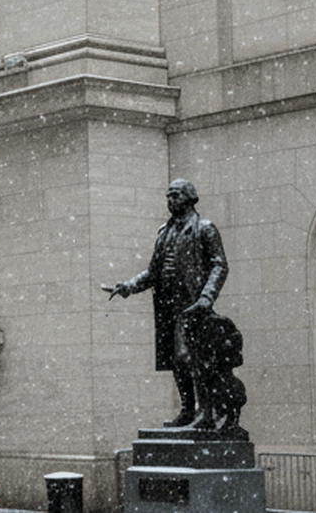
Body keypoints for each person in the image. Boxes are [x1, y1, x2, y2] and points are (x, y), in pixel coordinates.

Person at [106, 179, 246, 437]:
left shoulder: (204, 228)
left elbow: (219, 265)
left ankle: (206, 413)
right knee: (176, 361)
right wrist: (128, 286)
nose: (171, 200)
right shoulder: (164, 232)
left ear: (190, 198)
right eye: (168, 196)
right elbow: (153, 271)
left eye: (176, 195)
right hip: (167, 305)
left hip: (192, 305)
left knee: (193, 359)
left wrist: (206, 298)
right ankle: (187, 411)